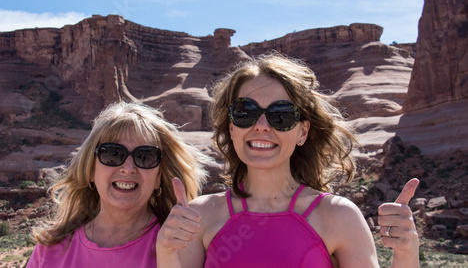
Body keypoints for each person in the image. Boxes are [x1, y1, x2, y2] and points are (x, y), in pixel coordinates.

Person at [157, 52, 420, 268]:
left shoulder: (338, 216)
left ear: (302, 131)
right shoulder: (201, 215)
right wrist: (167, 254)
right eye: (245, 112)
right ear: (232, 127)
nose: (261, 126)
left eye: (280, 115)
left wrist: (406, 253)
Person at [26, 101, 210, 268]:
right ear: (90, 169)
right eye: (112, 154)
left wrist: (168, 256)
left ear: (158, 177)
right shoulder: (50, 248)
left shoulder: (180, 244)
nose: (128, 168)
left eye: (144, 157)